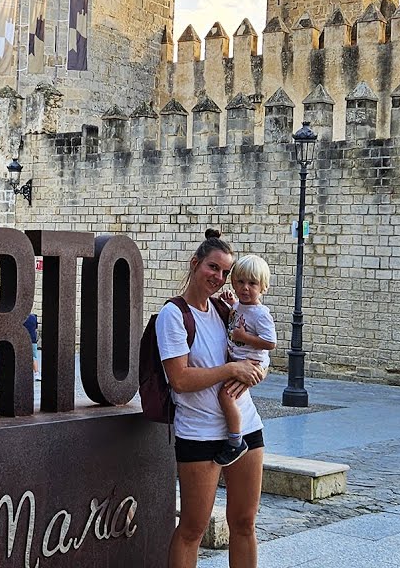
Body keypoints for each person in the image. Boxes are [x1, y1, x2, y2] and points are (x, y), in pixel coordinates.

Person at [158, 229, 267, 568]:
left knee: (245, 524)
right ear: (195, 264)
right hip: (200, 434)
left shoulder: (227, 310)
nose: (219, 278)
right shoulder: (173, 315)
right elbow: (179, 379)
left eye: (225, 273)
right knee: (193, 528)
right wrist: (231, 370)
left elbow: (257, 347)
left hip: (246, 426)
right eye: (213, 268)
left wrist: (257, 370)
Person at [216, 255, 277, 464]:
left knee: (226, 396)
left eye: (252, 283)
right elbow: (239, 314)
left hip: (252, 363)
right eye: (240, 282)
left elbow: (270, 343)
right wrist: (232, 303)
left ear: (263, 287)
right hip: (239, 360)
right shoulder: (240, 305)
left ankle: (235, 440)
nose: (245, 288)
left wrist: (244, 338)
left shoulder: (261, 314)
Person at [24, 313, 40, 381]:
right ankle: (36, 373)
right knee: (34, 357)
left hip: (23, 339)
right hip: (32, 339)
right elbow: (36, 328)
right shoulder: (33, 317)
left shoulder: (22, 318)